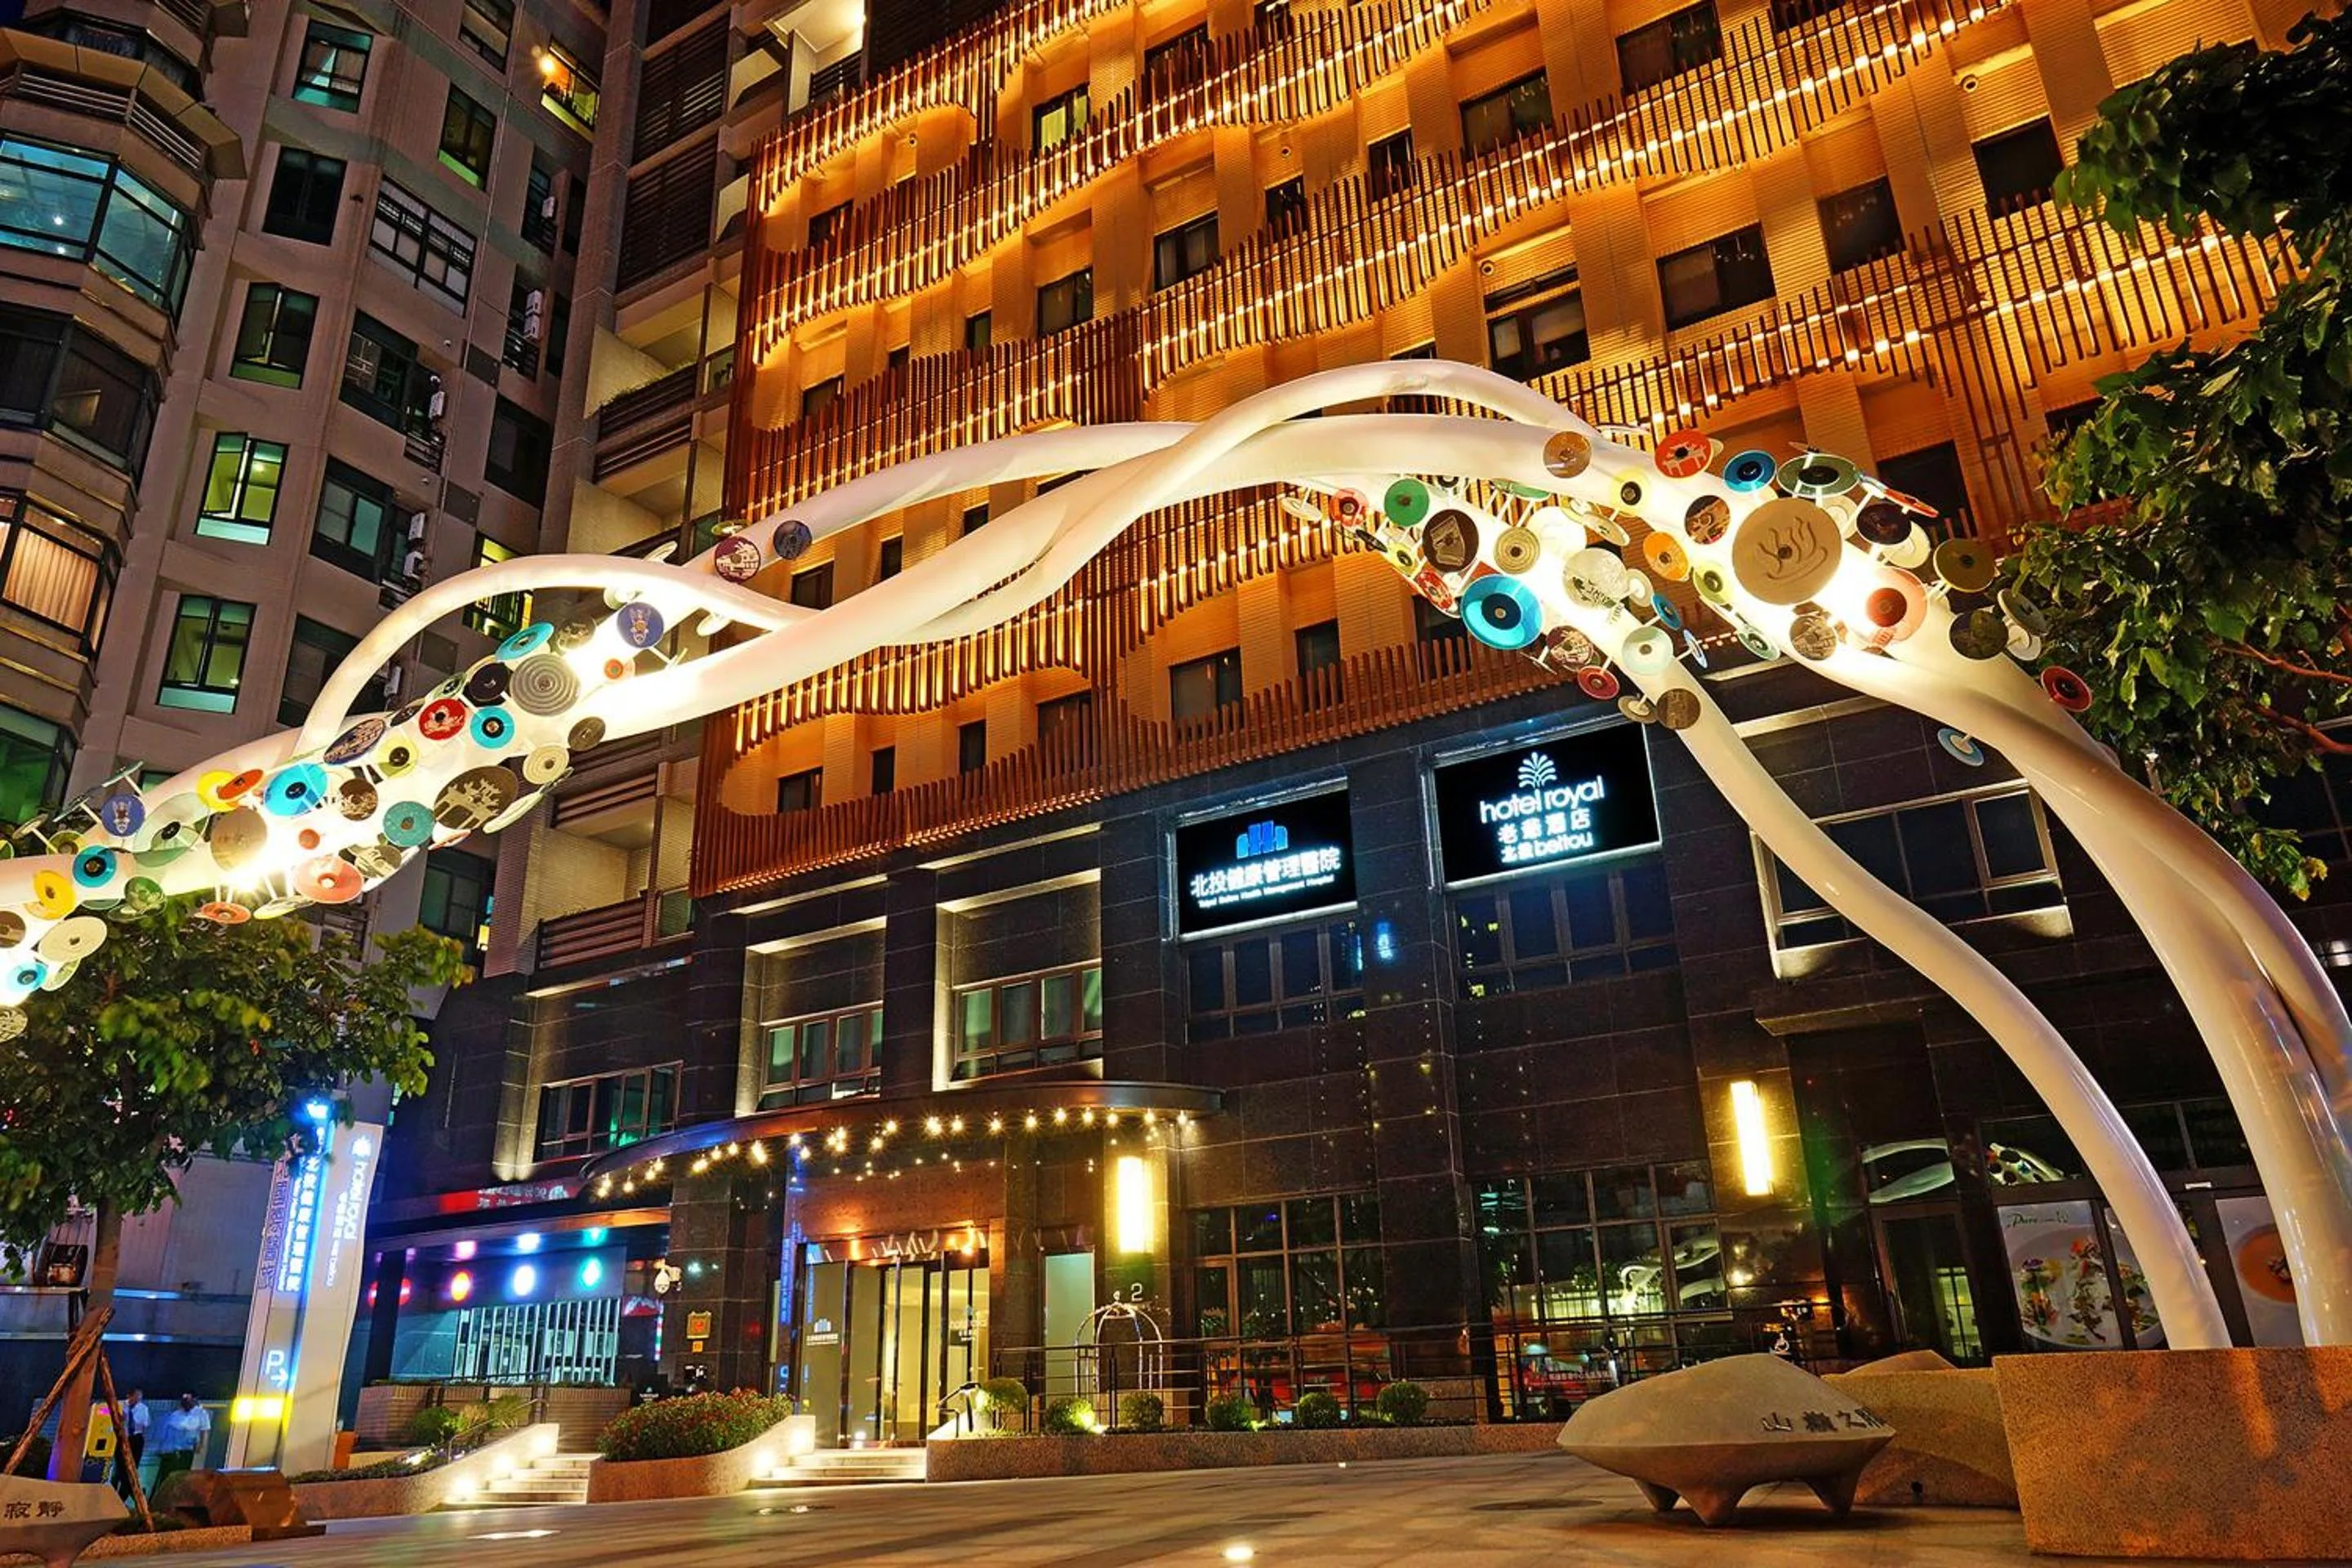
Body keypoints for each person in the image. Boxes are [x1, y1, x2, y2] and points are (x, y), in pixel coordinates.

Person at [151, 1394, 210, 1482]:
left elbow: (203, 1431)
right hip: (169, 1453)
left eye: (189, 1400)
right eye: (185, 1400)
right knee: (166, 1479)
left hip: (185, 1452)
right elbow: (166, 1433)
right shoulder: (175, 1415)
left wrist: (201, 1445)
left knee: (180, 1478)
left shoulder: (200, 1414)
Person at [114, 1389, 148, 1498]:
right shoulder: (120, 1405)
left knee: (132, 1468)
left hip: (136, 1438)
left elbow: (145, 1423)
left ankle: (126, 1495)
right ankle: (133, 1494)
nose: (138, 1400)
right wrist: (120, 1418)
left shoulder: (143, 1408)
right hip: (123, 1438)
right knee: (121, 1468)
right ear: (129, 1396)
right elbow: (105, 1413)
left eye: (140, 1397)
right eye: (136, 1397)